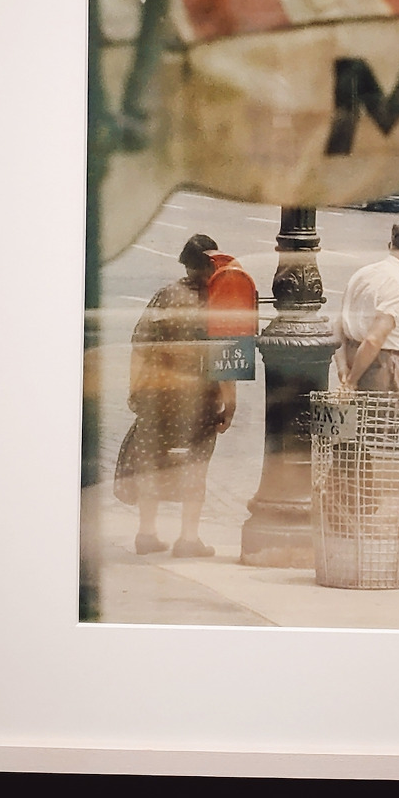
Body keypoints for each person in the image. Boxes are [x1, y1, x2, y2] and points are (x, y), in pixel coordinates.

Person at [113, 234, 254, 558]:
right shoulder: (220, 301)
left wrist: (136, 389)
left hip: (158, 396)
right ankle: (188, 539)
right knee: (195, 467)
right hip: (200, 403)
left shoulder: (166, 295)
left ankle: (146, 534)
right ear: (214, 264)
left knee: (151, 463)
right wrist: (230, 406)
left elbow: (140, 345)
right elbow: (225, 360)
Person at [335, 221, 399, 391]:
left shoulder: (362, 274)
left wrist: (344, 370)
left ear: (390, 245)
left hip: (352, 358)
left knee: (355, 409)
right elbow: (373, 339)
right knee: (381, 409)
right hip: (381, 366)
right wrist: (353, 381)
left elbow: (338, 326)